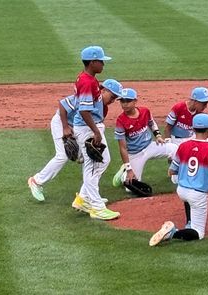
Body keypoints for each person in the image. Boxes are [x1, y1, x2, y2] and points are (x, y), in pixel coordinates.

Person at [28, 80, 122, 202]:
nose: (112, 101)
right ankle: (36, 181)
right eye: (112, 96)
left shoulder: (104, 109)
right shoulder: (88, 96)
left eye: (115, 98)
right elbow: (63, 105)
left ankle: (87, 195)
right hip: (62, 123)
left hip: (79, 129)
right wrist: (65, 127)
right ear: (103, 90)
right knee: (62, 156)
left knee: (90, 159)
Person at [149, 114, 208, 246]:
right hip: (197, 194)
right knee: (198, 233)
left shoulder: (183, 146)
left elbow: (172, 170)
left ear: (193, 129)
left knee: (189, 198)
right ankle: (173, 233)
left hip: (181, 191)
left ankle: (189, 221)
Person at [70, 46, 122, 221]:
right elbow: (84, 111)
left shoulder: (89, 79)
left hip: (91, 125)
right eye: (101, 61)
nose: (103, 65)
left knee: (103, 161)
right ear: (92, 62)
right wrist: (95, 132)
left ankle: (83, 199)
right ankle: (97, 208)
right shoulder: (87, 82)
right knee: (93, 166)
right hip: (87, 127)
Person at [112, 88, 178, 190]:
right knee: (130, 188)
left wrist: (158, 136)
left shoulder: (145, 111)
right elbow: (123, 148)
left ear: (135, 101)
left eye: (128, 101)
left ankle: (176, 175)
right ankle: (123, 174)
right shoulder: (121, 121)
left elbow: (151, 123)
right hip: (135, 154)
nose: (124, 104)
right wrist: (129, 168)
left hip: (150, 146)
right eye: (122, 101)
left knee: (175, 149)